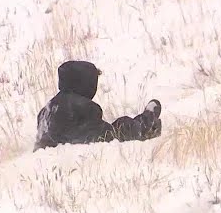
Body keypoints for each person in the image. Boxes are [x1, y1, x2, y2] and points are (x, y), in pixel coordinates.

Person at [34, 60, 162, 151]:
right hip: (77, 155)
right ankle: (146, 124)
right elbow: (108, 136)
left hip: (55, 154)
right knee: (121, 129)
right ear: (85, 83)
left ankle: (145, 121)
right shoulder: (82, 107)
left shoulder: (47, 109)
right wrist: (134, 128)